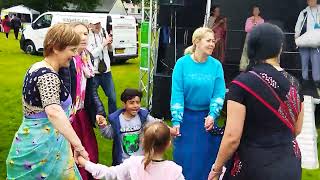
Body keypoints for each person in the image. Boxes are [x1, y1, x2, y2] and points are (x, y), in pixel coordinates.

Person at [208, 23, 304, 180]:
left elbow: (232, 137)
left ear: (251, 47)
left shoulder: (242, 83)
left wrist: (217, 168)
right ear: (280, 48)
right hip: (289, 165)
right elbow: (297, 128)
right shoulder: (295, 84)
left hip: (252, 166)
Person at [6, 23, 89, 179]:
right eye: (72, 50)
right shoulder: (47, 75)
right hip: (41, 152)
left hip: (42, 146)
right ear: (56, 48)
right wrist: (78, 146)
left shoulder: (38, 67)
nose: (74, 55)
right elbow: (54, 112)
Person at [170, 27, 226, 180]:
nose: (212, 44)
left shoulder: (216, 66)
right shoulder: (182, 64)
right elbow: (177, 94)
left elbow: (218, 94)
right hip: (185, 119)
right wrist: (176, 120)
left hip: (206, 120)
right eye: (209, 40)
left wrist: (212, 115)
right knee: (185, 158)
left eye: (213, 41)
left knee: (205, 158)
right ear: (196, 42)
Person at [59, 22, 107, 180]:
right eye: (79, 33)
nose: (83, 37)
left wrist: (99, 112)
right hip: (67, 116)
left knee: (90, 153)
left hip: (82, 115)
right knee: (68, 155)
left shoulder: (87, 57)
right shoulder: (66, 60)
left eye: (86, 33)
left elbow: (92, 91)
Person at [78, 121, 185, 180]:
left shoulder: (134, 163)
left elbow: (109, 173)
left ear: (143, 141)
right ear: (168, 144)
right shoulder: (174, 171)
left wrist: (85, 163)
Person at [96, 88, 175, 165]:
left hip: (141, 160)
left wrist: (170, 130)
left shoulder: (143, 116)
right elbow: (109, 134)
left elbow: (156, 123)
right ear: (124, 104)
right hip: (124, 162)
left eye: (138, 102)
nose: (135, 105)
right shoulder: (116, 120)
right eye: (131, 102)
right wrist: (103, 126)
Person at [87, 20, 117, 114]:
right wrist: (103, 44)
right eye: (95, 24)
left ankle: (113, 117)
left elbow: (111, 50)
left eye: (99, 24)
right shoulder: (87, 36)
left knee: (112, 97)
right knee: (92, 98)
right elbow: (92, 54)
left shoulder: (104, 32)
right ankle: (98, 116)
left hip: (106, 71)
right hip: (93, 72)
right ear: (90, 25)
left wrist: (110, 44)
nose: (98, 26)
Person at [295, 0, 320, 89]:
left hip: (316, 40)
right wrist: (296, 37)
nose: (310, 1)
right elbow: (298, 25)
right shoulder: (304, 12)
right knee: (304, 60)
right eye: (309, 0)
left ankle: (316, 81)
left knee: (316, 61)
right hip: (304, 39)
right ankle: (305, 80)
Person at [239, 5, 265, 71]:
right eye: (254, 10)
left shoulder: (262, 20)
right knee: (247, 51)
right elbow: (246, 29)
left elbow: (262, 30)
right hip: (249, 37)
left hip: (258, 38)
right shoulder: (249, 19)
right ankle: (245, 66)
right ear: (252, 11)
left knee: (256, 52)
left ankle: (256, 67)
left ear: (259, 11)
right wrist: (253, 25)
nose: (256, 11)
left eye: (257, 10)